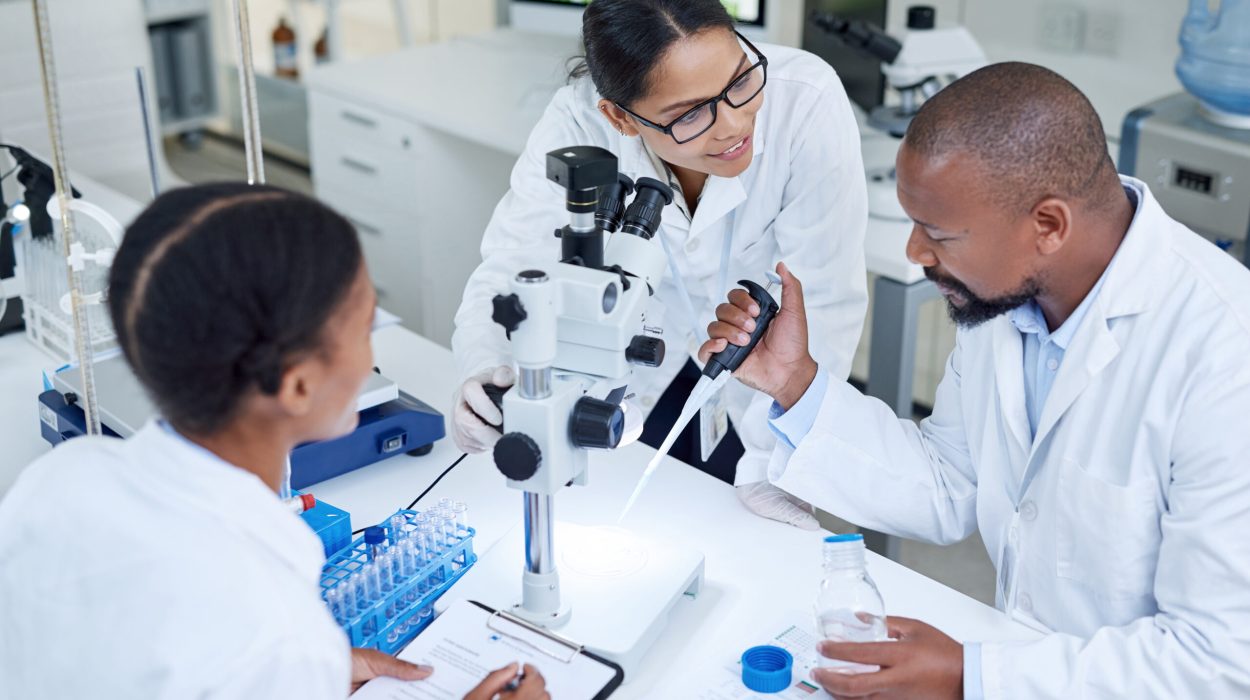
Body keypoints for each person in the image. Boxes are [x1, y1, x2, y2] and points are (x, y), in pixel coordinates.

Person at [701, 63, 1250, 697]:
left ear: (1048, 226)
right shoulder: (1004, 301)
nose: (914, 253)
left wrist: (974, 675)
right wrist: (795, 383)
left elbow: (1220, 662)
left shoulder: (1225, 359)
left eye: (937, 233)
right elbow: (951, 479)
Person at [0, 184, 548, 700]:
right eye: (364, 327)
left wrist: (309, 673)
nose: (372, 353)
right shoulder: (263, 620)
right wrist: (293, 672)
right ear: (298, 385)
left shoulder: (65, 475)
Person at [450, 0, 868, 529]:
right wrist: (485, 371)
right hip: (643, 370)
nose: (735, 124)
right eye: (690, 114)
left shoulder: (805, 101)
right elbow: (513, 269)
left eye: (740, 79)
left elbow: (824, 301)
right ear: (620, 117)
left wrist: (774, 463)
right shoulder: (578, 121)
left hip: (757, 384)